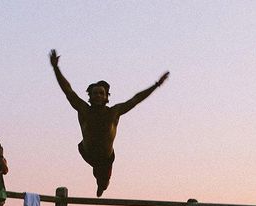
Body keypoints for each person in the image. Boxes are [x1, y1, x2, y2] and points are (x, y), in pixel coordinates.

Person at [49, 49, 169, 197]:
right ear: (90, 97)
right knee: (96, 170)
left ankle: (101, 186)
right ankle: (99, 179)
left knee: (103, 182)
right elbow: (68, 90)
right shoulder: (83, 109)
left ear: (106, 97)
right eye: (94, 93)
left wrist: (156, 85)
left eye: (101, 93)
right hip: (87, 153)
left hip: (106, 159)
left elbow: (136, 99)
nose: (98, 96)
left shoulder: (114, 112)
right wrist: (56, 68)